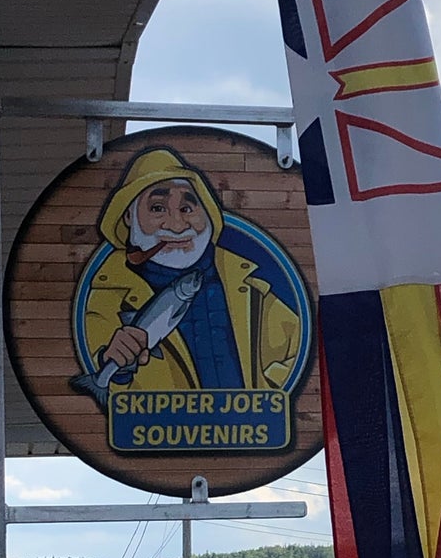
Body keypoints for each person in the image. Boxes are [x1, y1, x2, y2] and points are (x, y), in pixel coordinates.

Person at [82, 151, 302, 393]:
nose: (177, 225)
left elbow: (297, 348)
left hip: (246, 429)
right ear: (128, 216)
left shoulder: (245, 285)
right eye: (157, 208)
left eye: (187, 208)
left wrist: (268, 395)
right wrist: (118, 368)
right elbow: (105, 389)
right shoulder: (108, 297)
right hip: (166, 431)